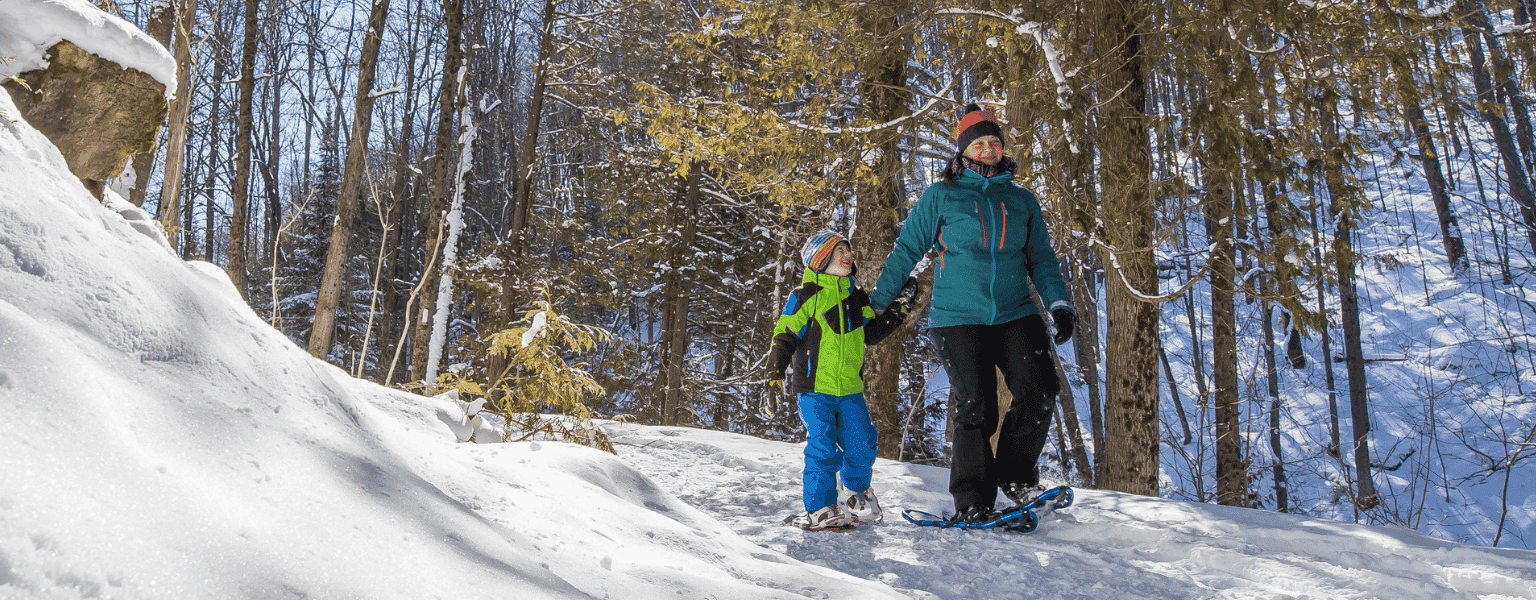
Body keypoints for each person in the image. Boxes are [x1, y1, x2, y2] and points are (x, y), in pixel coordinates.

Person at [868, 103, 1077, 523]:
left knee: (1040, 388)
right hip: (957, 317)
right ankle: (972, 499)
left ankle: (1016, 478)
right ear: (963, 152)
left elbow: (1042, 258)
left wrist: (1059, 303)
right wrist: (875, 307)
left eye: (994, 143)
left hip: (1015, 311)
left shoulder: (1021, 201)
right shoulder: (942, 196)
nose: (987, 150)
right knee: (977, 404)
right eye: (978, 144)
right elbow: (907, 250)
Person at [766, 230, 916, 530]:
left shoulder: (855, 296)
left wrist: (899, 308)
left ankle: (856, 498)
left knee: (862, 443)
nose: (847, 255)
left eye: (847, 250)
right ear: (820, 259)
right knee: (822, 446)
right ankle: (820, 508)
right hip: (814, 390)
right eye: (838, 251)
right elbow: (784, 337)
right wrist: (773, 377)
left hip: (850, 390)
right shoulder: (804, 296)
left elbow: (870, 333)